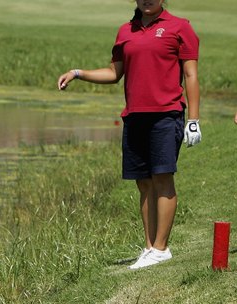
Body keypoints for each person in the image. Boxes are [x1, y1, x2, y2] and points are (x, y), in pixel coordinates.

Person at [57, 0, 200, 270]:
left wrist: (193, 119)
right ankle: (149, 248)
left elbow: (191, 75)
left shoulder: (180, 27)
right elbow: (114, 73)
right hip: (134, 116)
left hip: (166, 114)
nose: (147, 0)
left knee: (162, 178)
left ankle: (161, 248)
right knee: (143, 182)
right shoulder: (126, 31)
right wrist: (77, 73)